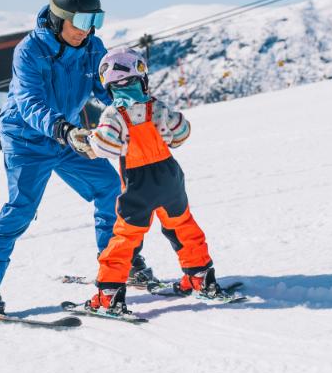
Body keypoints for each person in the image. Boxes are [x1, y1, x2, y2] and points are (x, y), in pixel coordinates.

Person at [0, 0, 157, 314]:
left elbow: (107, 87)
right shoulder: (30, 51)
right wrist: (64, 129)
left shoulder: (93, 48)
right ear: (58, 17)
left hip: (67, 136)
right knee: (22, 208)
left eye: (96, 21)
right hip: (27, 138)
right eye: (81, 22)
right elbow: (29, 102)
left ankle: (119, 260)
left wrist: (138, 110)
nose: (88, 30)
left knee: (111, 187)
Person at [81, 48, 234, 317]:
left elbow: (106, 145)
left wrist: (91, 141)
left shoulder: (113, 114)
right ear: (142, 79)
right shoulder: (157, 106)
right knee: (183, 226)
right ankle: (201, 277)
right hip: (169, 177)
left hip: (139, 184)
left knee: (126, 236)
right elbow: (181, 133)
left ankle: (108, 294)